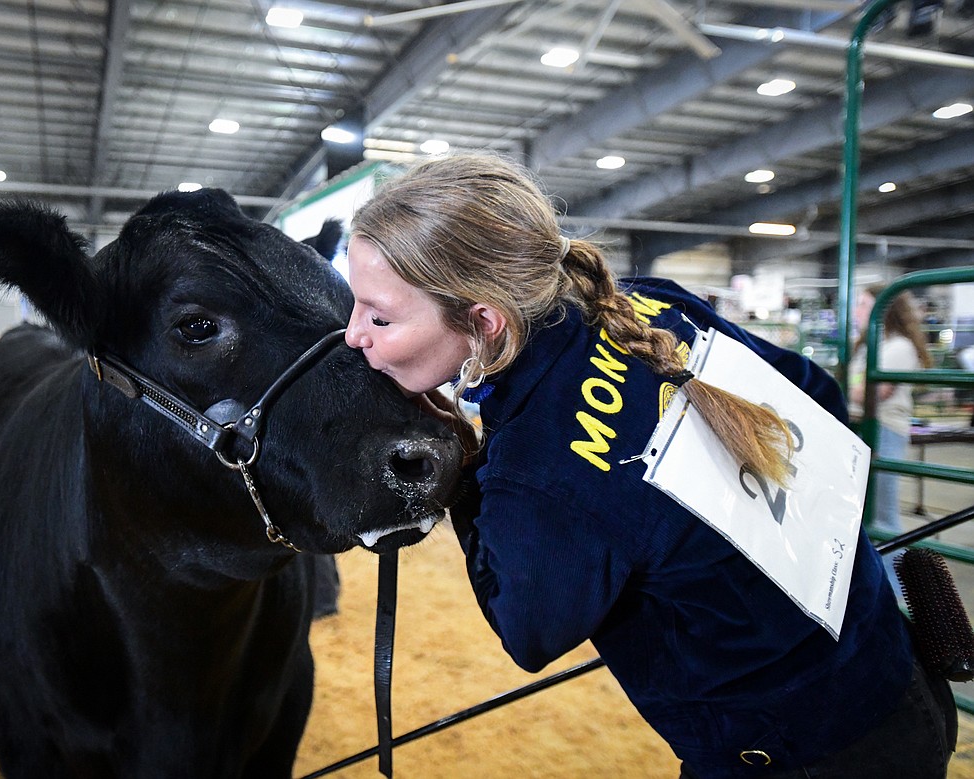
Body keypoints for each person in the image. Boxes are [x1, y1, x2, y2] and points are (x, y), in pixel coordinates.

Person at [343, 153, 956, 778]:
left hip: (796, 753)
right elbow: (818, 396)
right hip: (896, 670)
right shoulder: (650, 307)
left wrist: (462, 469)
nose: (352, 334)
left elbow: (527, 630)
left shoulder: (537, 473)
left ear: (483, 321)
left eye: (379, 316)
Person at [849, 285, 932, 543]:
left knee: (882, 515)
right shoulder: (870, 346)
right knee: (864, 511)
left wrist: (842, 388)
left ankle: (894, 581)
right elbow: (858, 388)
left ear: (883, 308)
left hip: (884, 429)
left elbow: (873, 392)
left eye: (864, 304)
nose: (857, 310)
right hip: (861, 427)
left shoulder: (898, 347)